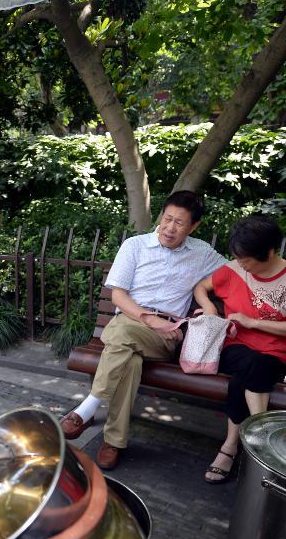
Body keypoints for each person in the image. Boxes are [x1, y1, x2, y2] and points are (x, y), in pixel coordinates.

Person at [61, 191, 225, 470]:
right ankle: (114, 441)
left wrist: (205, 299)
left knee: (120, 336)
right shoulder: (135, 246)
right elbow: (118, 297)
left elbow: (239, 272)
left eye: (180, 223)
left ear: (194, 227)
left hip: (166, 336)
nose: (170, 228)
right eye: (167, 218)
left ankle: (87, 408)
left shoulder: (202, 254)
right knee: (129, 358)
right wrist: (150, 319)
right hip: (132, 321)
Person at [193, 215, 286, 483]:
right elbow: (201, 287)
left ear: (269, 252)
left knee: (247, 375)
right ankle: (262, 442)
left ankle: (230, 447)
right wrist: (210, 306)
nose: (241, 264)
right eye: (238, 257)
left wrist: (252, 322)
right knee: (251, 365)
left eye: (246, 259)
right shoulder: (234, 270)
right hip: (233, 348)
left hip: (274, 355)